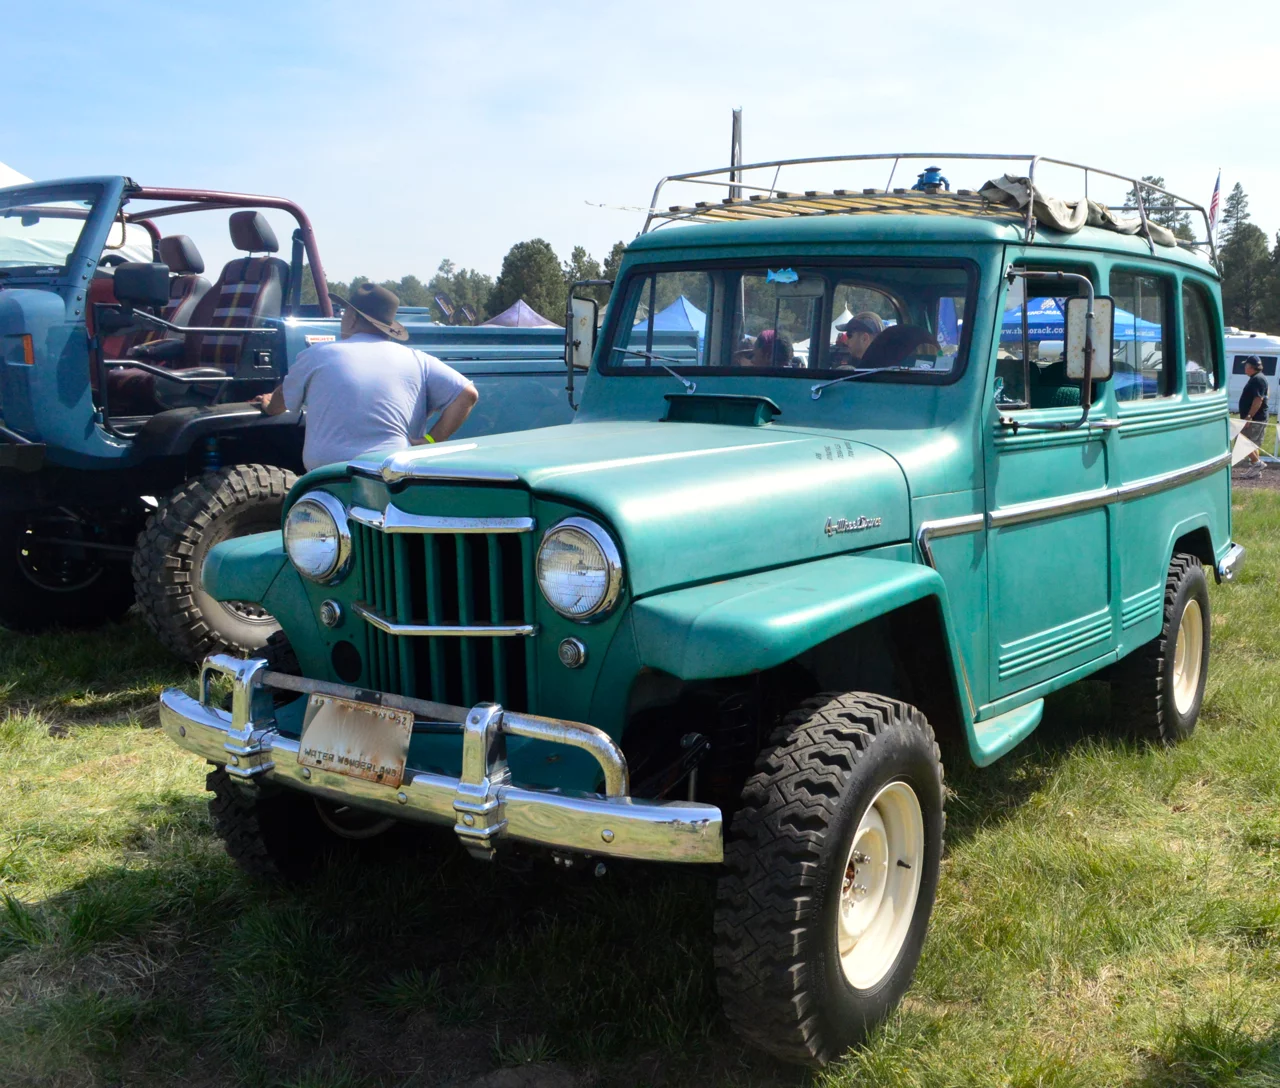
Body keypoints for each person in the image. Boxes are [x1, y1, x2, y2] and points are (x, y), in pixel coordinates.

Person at [254, 284, 478, 472]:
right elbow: (467, 394)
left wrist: (268, 405)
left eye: (344, 314)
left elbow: (282, 398)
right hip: (393, 477)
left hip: (331, 479)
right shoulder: (417, 359)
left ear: (351, 318)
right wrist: (431, 441)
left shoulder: (319, 354)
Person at [1238, 355, 1269, 478]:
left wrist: (1249, 416)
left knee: (1243, 441)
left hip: (1255, 418)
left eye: (1246, 365)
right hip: (1255, 417)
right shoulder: (1257, 378)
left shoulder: (1258, 379)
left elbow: (1258, 399)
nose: (1244, 368)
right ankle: (1256, 471)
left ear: (1251, 367)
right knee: (1251, 444)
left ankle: (1257, 463)